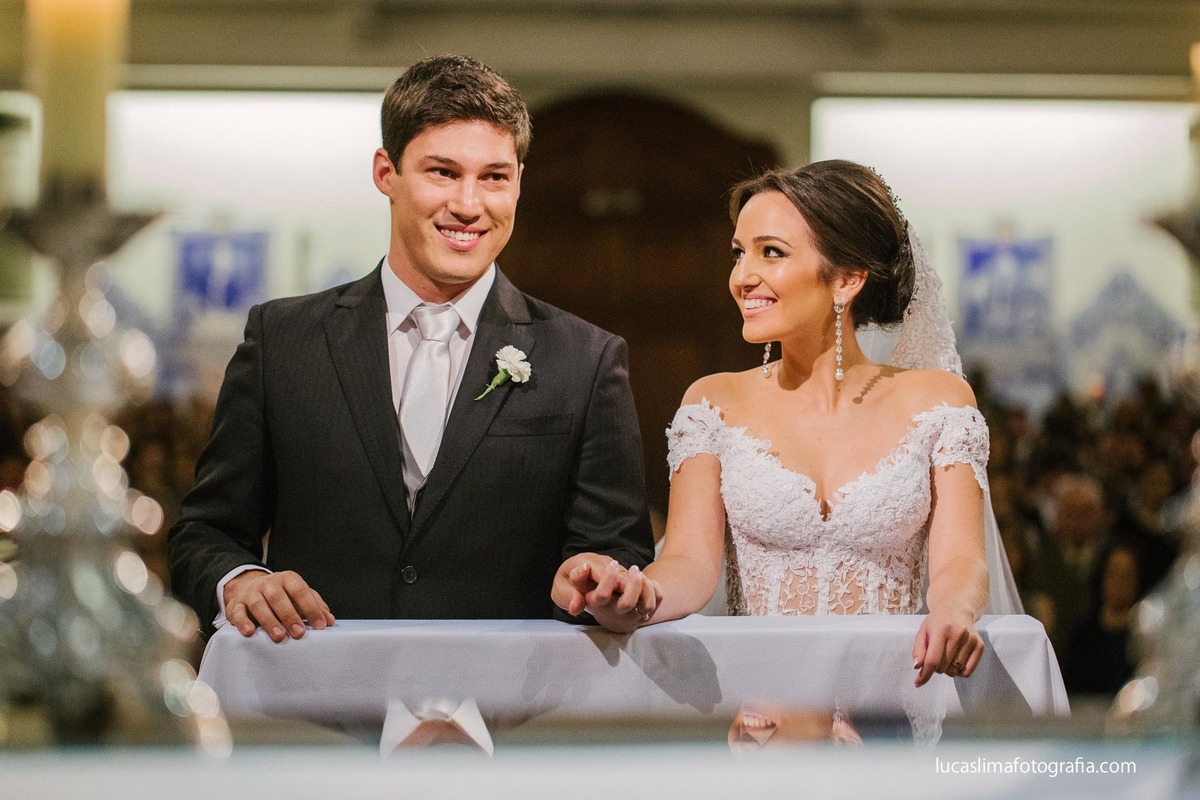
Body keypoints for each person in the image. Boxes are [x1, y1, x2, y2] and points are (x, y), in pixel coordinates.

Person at [168, 54, 654, 641]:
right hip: (319, 704)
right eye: (443, 173)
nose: (469, 205)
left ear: (519, 182)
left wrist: (604, 585)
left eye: (494, 177)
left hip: (510, 712)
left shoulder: (586, 359)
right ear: (385, 172)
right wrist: (239, 579)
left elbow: (621, 555)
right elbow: (206, 532)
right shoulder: (282, 341)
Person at [553, 160, 1022, 687]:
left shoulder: (940, 401)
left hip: (894, 690)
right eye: (739, 253)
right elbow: (688, 563)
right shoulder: (712, 403)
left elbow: (960, 559)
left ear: (846, 279)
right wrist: (630, 596)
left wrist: (955, 611)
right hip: (761, 702)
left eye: (770, 252)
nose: (741, 276)